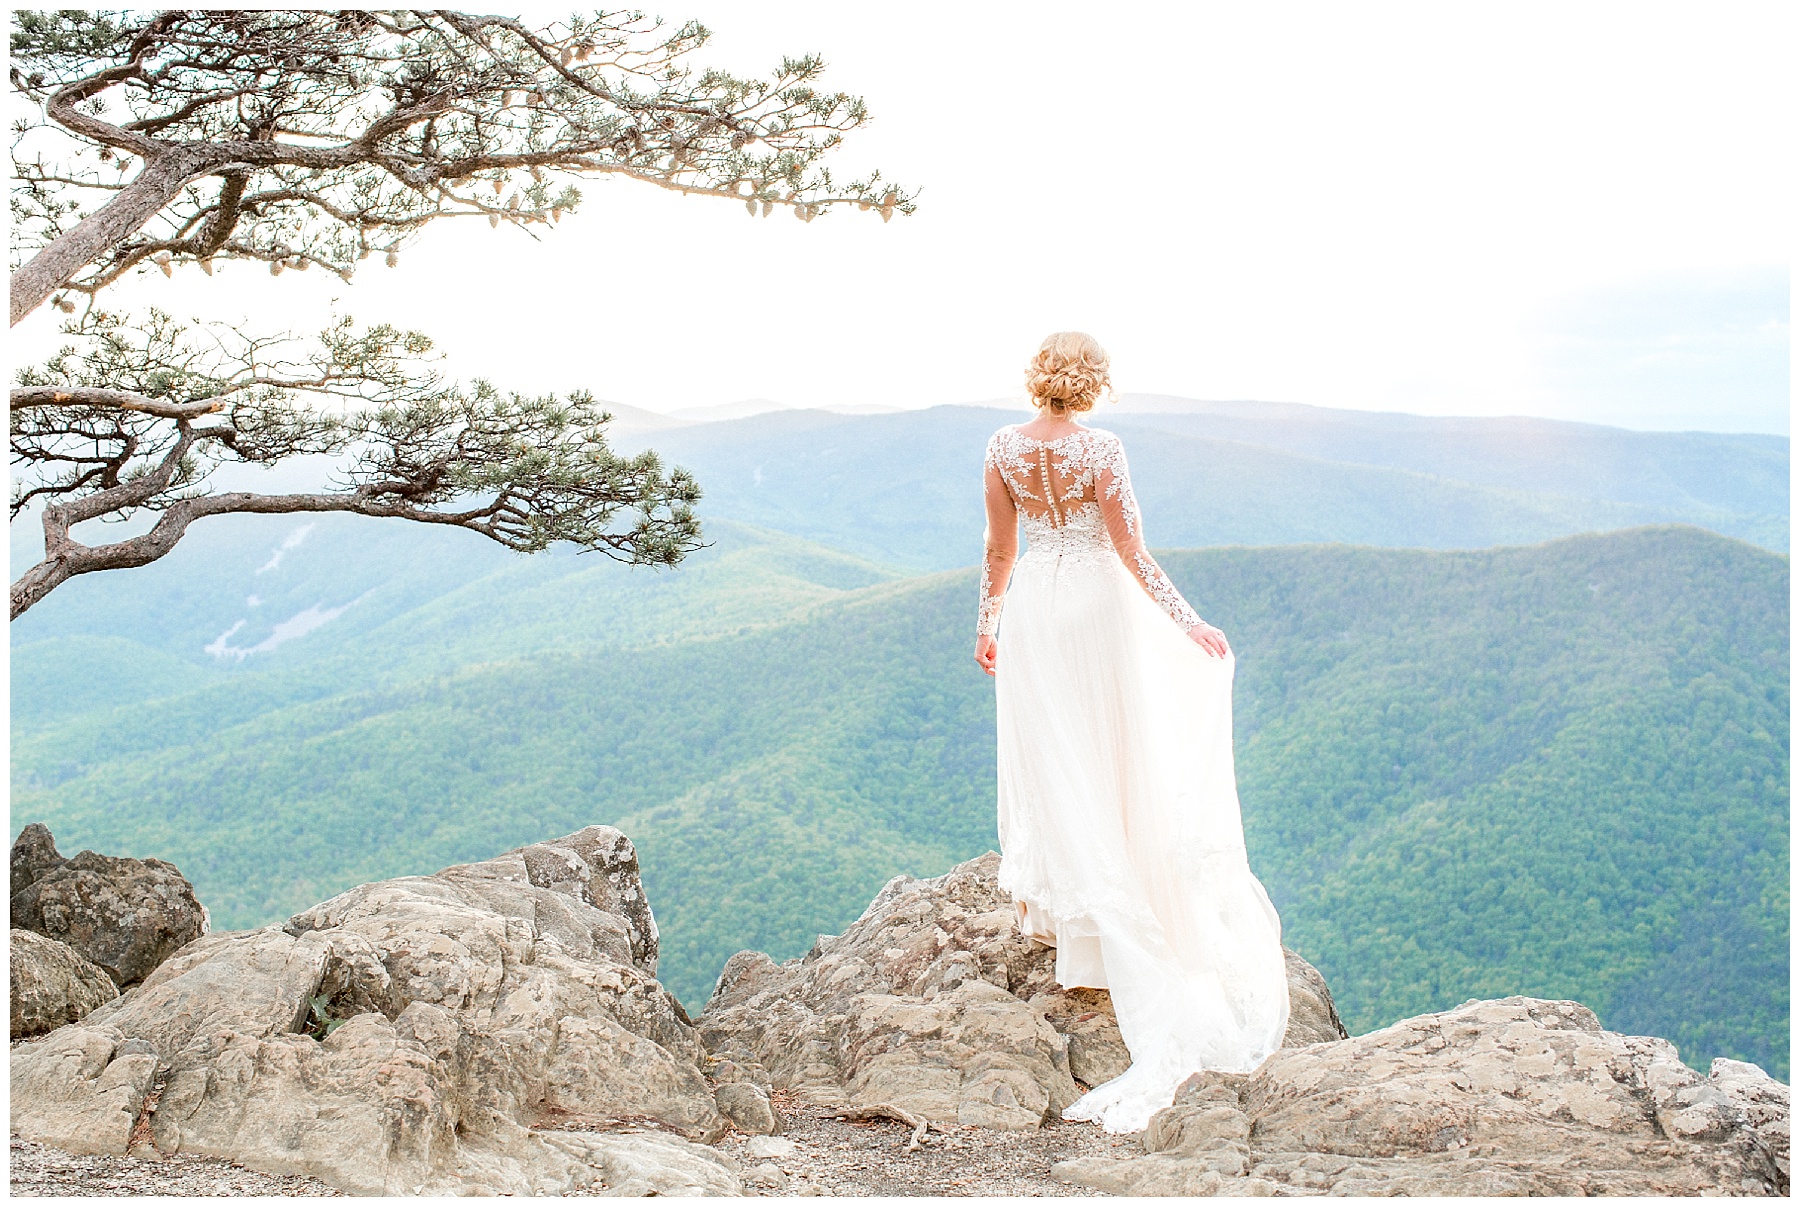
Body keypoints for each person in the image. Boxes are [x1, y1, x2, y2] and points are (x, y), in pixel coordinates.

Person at [973, 331, 1291, 1134]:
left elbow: (1000, 547)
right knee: (1112, 756)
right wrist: (1191, 622)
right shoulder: (1103, 451)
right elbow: (1132, 552)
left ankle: (1071, 924)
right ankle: (1115, 912)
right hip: (1096, 614)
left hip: (1035, 619)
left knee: (1056, 761)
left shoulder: (1002, 448)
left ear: (1038, 377)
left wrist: (988, 623)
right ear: (1093, 382)